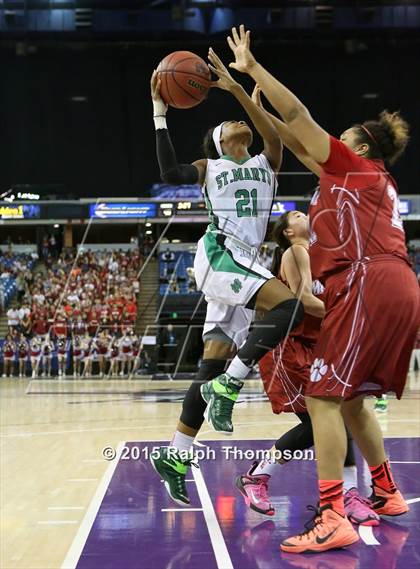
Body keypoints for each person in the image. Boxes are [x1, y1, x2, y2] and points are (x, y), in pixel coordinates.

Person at [226, 25, 419, 553]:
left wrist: (253, 69)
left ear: (361, 147)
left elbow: (301, 121)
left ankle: (333, 513)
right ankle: (386, 492)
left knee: (322, 397)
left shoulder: (357, 168)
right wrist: (248, 100)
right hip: (395, 283)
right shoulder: (360, 179)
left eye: (344, 135)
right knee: (354, 400)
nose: (334, 139)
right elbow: (292, 136)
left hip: (366, 280)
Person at [149, 50, 304, 505]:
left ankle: (176, 454)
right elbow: (169, 171)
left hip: (247, 264)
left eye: (242, 121)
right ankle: (233, 383)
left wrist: (241, 91)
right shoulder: (210, 169)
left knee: (210, 362)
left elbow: (275, 132)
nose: (239, 123)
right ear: (217, 143)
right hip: (222, 256)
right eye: (229, 124)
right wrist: (160, 112)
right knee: (289, 306)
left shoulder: (264, 164)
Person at [237, 212, 379, 526]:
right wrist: (345, 313)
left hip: (314, 347)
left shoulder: (318, 256)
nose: (306, 215)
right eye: (299, 215)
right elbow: (303, 299)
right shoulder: (295, 251)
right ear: (288, 231)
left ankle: (347, 493)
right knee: (323, 423)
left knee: (336, 419)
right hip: (289, 347)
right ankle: (258, 476)